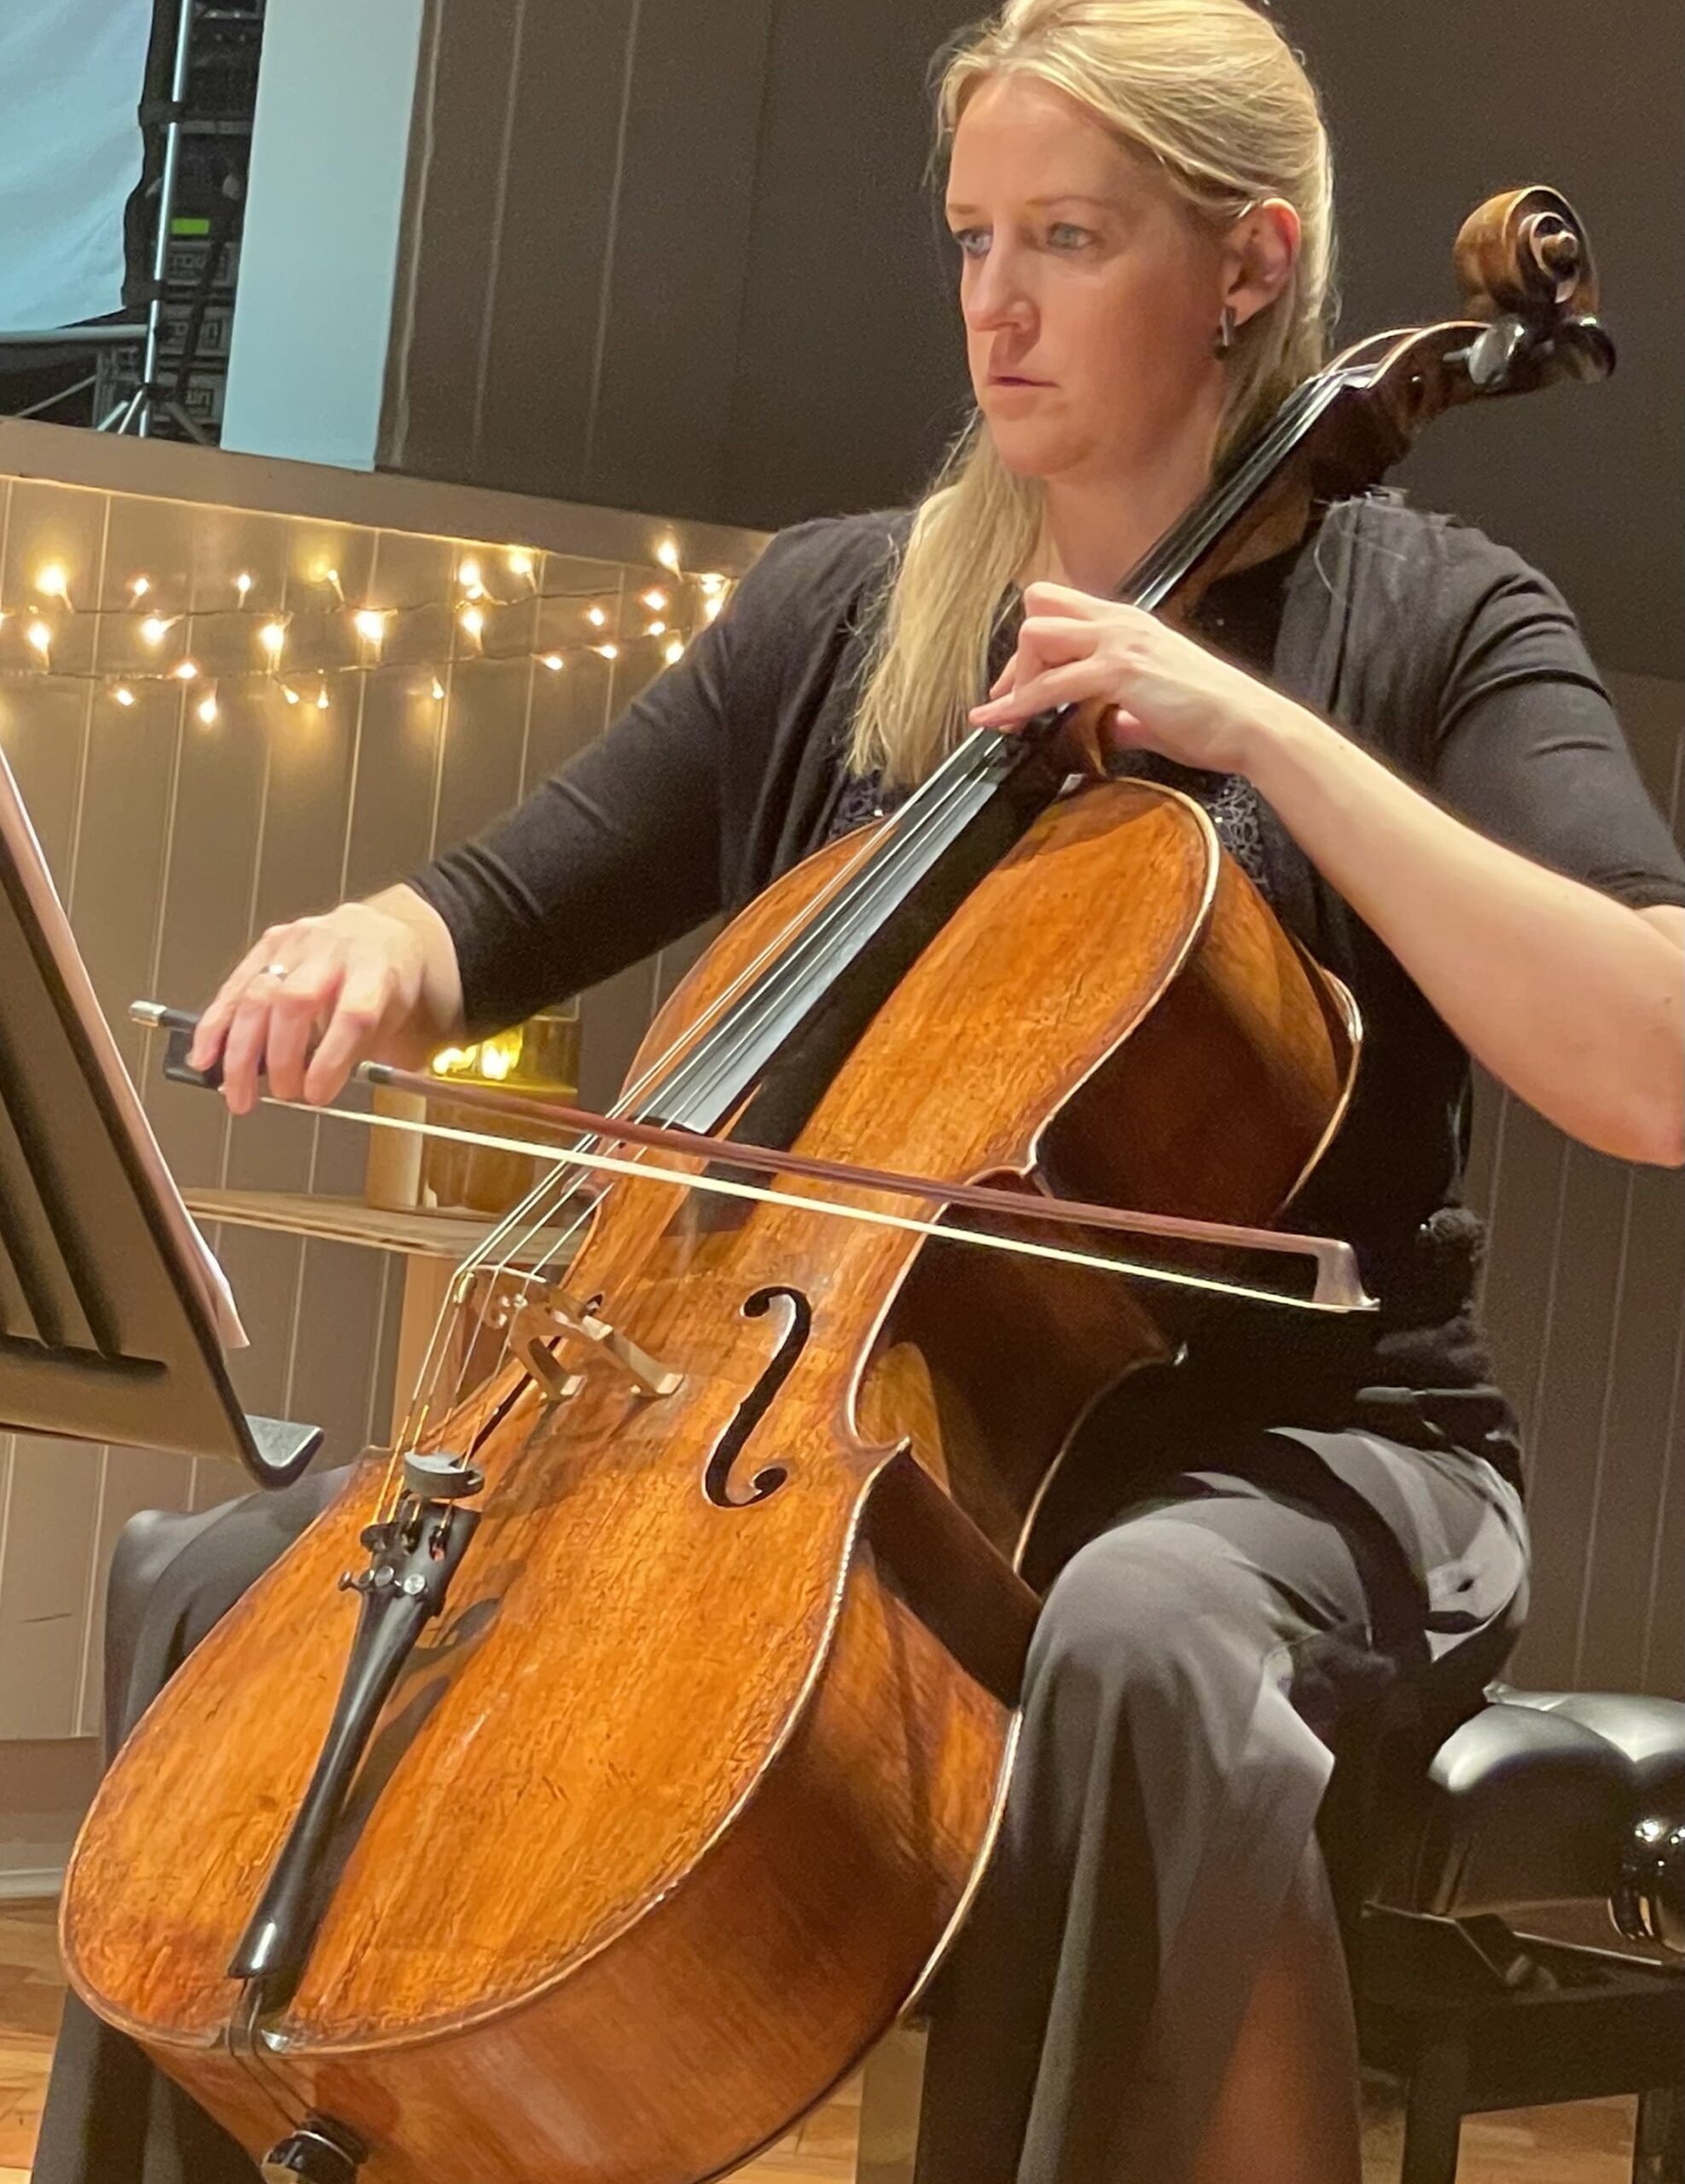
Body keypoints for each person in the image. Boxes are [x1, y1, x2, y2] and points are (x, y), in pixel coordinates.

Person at [36, 3, 1685, 2181]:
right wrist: (372, 945)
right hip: (836, 1440)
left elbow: (1653, 1056)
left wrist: (1260, 738)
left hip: (1301, 1456)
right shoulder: (849, 609)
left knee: (1140, 1634)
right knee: (223, 1576)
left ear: (1248, 264)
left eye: (1068, 238)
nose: (996, 302)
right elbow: (494, 905)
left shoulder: (1435, 624)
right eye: (973, 237)